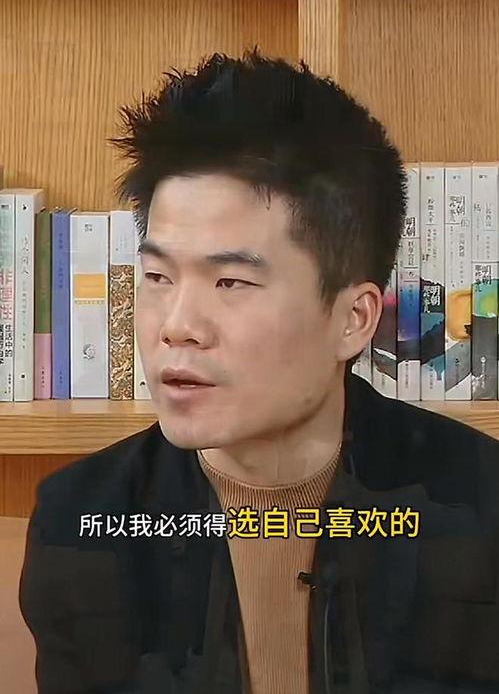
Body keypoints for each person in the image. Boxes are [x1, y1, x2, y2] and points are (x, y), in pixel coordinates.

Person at [19, 48, 499, 694]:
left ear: (352, 319)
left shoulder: (480, 504)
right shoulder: (80, 522)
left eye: (231, 282)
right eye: (157, 276)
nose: (176, 325)